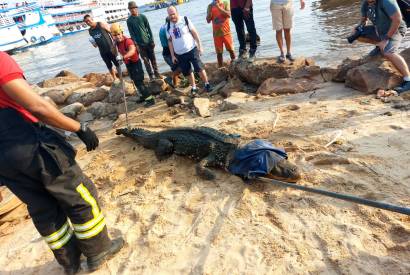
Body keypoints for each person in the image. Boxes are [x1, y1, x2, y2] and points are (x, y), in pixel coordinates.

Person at [0, 51, 124, 274]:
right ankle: (98, 250)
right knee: (79, 194)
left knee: (42, 207)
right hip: (27, 144)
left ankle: (70, 263)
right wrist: (79, 127)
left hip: (4, 159)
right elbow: (37, 106)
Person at [354, 0, 410, 94]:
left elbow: (397, 19)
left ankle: (408, 79)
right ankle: (380, 46)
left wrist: (386, 39)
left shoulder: (386, 1)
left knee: (388, 52)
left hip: (396, 29)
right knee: (358, 34)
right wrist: (358, 27)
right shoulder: (366, 3)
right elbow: (364, 20)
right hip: (380, 31)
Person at [166, 6, 212, 95]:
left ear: (177, 13)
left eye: (173, 14)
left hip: (192, 49)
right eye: (170, 15)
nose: (172, 16)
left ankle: (207, 84)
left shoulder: (185, 19)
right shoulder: (168, 26)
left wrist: (200, 46)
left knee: (199, 68)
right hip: (180, 53)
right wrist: (172, 55)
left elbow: (194, 32)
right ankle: (194, 87)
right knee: (187, 72)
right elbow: (170, 41)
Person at [111, 23, 155, 107]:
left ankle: (150, 99)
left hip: (136, 64)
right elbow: (113, 51)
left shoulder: (128, 41)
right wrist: (113, 44)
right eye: (115, 35)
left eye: (118, 34)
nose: (117, 36)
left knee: (139, 82)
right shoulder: (116, 43)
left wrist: (123, 57)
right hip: (129, 64)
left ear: (122, 33)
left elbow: (132, 50)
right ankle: (143, 96)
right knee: (135, 81)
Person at [127, 1, 160, 80]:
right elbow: (132, 34)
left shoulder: (143, 17)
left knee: (153, 59)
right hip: (140, 45)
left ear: (136, 8)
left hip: (148, 42)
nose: (132, 10)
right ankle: (151, 75)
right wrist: (136, 45)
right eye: (130, 9)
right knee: (145, 61)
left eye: (133, 8)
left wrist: (152, 40)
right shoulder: (129, 21)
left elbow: (148, 28)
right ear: (129, 10)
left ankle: (157, 73)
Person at [84, 15, 118, 81]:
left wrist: (114, 45)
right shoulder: (90, 31)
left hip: (111, 48)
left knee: (117, 64)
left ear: (92, 19)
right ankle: (115, 78)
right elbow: (95, 44)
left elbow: (111, 32)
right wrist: (93, 44)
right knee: (109, 66)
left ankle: (121, 77)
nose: (88, 22)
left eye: (88, 20)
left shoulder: (100, 24)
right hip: (102, 51)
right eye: (86, 22)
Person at [206, 0, 236, 67]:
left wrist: (218, 7)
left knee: (231, 50)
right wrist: (210, 12)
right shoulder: (210, 6)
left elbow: (228, 15)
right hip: (216, 34)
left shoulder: (225, 2)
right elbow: (208, 20)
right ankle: (221, 69)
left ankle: (235, 65)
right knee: (219, 53)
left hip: (226, 32)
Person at [159, 17, 181, 87]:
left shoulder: (162, 27)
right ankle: (175, 84)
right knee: (177, 68)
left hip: (166, 52)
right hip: (168, 53)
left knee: (177, 68)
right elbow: (174, 39)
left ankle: (175, 82)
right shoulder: (167, 28)